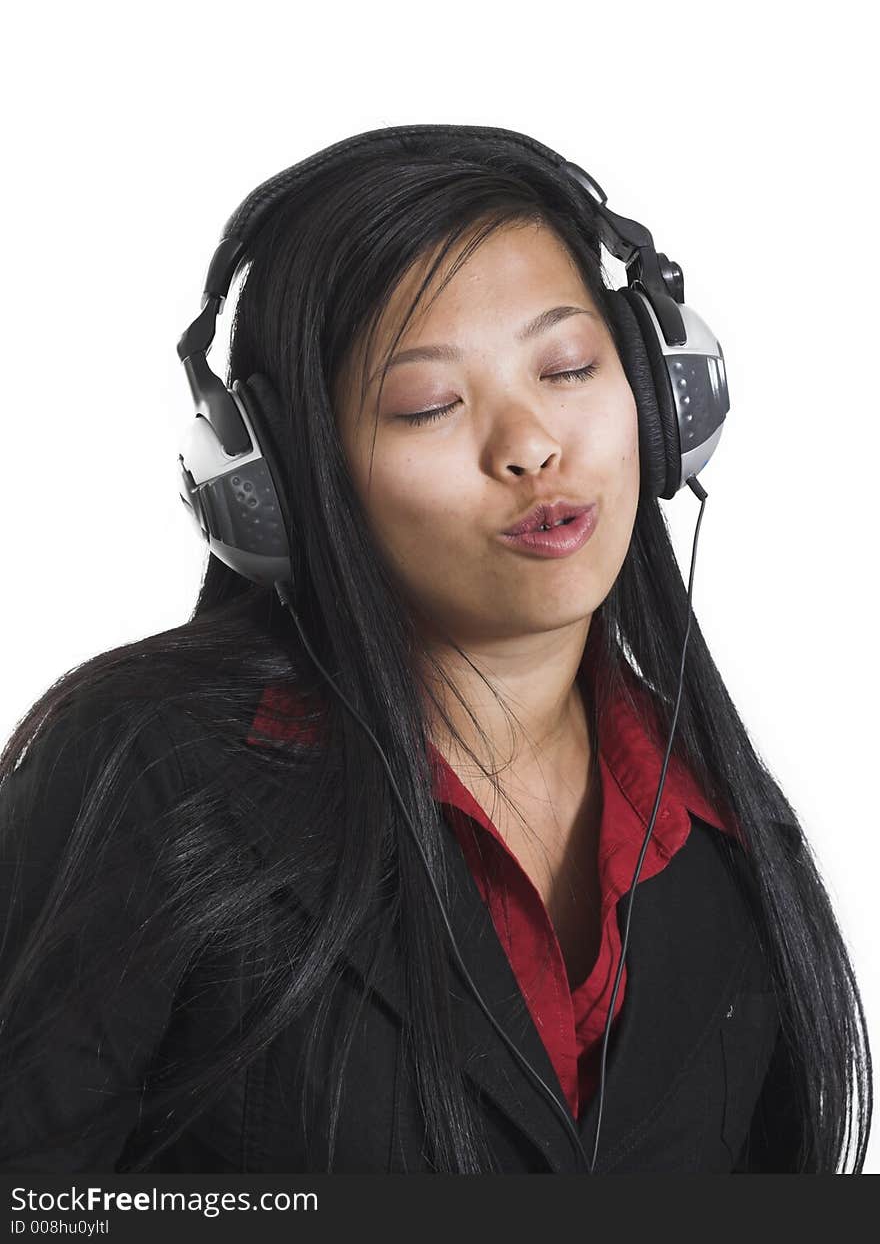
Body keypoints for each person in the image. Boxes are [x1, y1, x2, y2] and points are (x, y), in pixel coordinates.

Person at [0, 128, 871, 1173]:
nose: (530, 445)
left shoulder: (725, 835)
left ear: (662, 386)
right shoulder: (150, 769)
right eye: (429, 405)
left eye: (569, 366)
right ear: (280, 484)